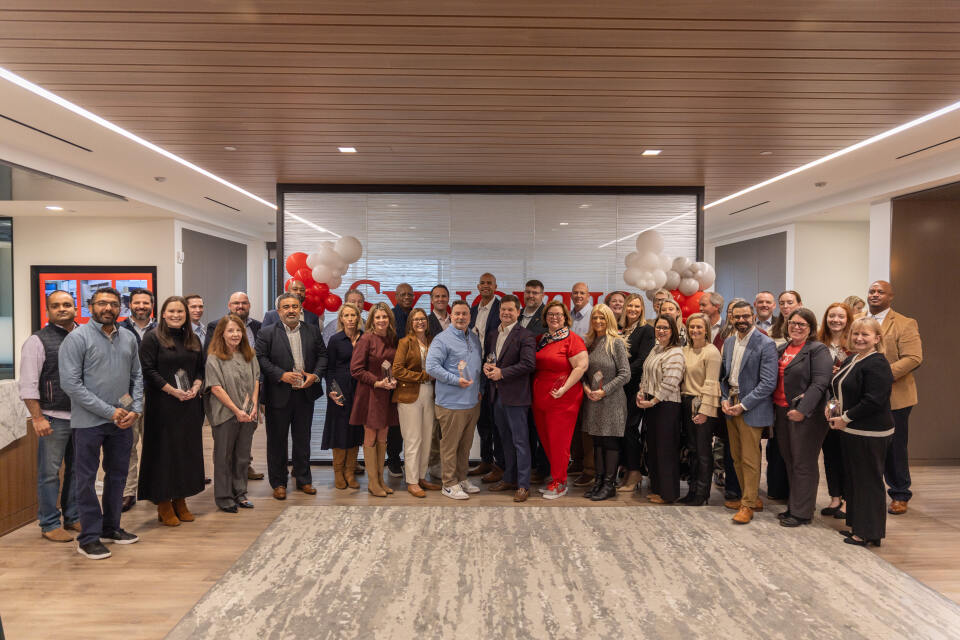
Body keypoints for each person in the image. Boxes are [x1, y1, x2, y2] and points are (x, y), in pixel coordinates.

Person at [59, 287, 143, 559]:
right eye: (102, 303)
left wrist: (135, 410)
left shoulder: (128, 338)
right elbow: (71, 385)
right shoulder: (76, 339)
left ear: (121, 308)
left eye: (114, 304)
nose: (108, 308)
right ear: (90, 306)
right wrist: (109, 411)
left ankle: (111, 527)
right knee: (85, 479)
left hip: (122, 421)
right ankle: (89, 537)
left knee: (118, 475)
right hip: (88, 423)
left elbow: (137, 377)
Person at [137, 296, 205, 526]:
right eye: (172, 311)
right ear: (163, 314)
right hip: (163, 405)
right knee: (164, 454)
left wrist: (196, 386)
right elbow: (148, 371)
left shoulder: (193, 339)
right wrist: (172, 391)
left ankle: (180, 498)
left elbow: (201, 369)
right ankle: (163, 501)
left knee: (185, 453)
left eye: (180, 312)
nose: (176, 315)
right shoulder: (152, 338)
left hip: (189, 405)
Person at [18, 290, 79, 543]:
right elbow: (28, 385)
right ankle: (49, 522)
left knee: (79, 471)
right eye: (56, 306)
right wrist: (38, 417)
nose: (62, 309)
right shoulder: (37, 341)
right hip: (53, 417)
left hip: (83, 417)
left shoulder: (84, 336)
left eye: (67, 304)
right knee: (49, 473)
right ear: (48, 311)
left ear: (76, 308)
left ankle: (74, 517)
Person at [828, 317, 895, 547]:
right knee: (855, 481)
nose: (859, 338)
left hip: (870, 433)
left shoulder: (878, 363)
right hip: (852, 431)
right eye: (856, 334)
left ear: (877, 339)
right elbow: (838, 388)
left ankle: (868, 532)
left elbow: (874, 401)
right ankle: (858, 526)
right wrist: (832, 409)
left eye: (865, 335)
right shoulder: (852, 359)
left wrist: (845, 418)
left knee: (868, 482)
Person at [256, 293, 327, 500]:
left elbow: (323, 356)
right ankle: (278, 482)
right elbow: (260, 358)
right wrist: (281, 375)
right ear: (279, 311)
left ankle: (304, 480)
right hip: (278, 395)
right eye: (286, 307)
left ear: (300, 309)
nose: (291, 310)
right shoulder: (267, 333)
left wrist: (315, 376)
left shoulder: (312, 331)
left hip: (305, 394)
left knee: (302, 440)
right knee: (277, 441)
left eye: (295, 306)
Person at [864, 280, 922, 515]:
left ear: (891, 297)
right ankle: (868, 491)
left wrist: (881, 376)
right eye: (872, 291)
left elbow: (913, 357)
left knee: (894, 447)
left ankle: (900, 493)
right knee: (867, 445)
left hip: (894, 395)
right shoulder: (859, 320)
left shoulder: (905, 323)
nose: (875, 295)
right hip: (863, 396)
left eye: (880, 292)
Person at [772, 308, 833, 527]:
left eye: (802, 324)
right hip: (781, 411)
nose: (796, 327)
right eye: (793, 323)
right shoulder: (782, 348)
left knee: (803, 463)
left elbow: (820, 383)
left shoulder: (818, 350)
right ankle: (795, 505)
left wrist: (803, 410)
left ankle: (802, 513)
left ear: (811, 328)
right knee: (790, 460)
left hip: (807, 415)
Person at [719, 301, 778, 524]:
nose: (741, 320)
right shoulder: (730, 341)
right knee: (736, 457)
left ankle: (747, 504)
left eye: (745, 316)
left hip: (751, 407)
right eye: (737, 317)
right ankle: (749, 496)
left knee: (750, 458)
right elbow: (724, 377)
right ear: (731, 318)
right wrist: (725, 399)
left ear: (753, 316)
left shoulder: (766, 343)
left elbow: (768, 383)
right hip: (730, 405)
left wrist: (743, 405)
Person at [425, 300, 483, 500]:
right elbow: (431, 367)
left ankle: (461, 478)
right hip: (450, 404)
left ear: (469, 316)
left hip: (472, 403)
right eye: (457, 314)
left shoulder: (474, 339)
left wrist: (479, 390)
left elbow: (477, 368)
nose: (461, 317)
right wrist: (455, 380)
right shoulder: (442, 339)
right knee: (449, 447)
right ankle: (448, 483)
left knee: (464, 446)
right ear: (451, 315)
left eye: (464, 314)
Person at [531, 300, 588, 499]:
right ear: (545, 318)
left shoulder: (572, 339)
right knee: (547, 440)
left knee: (559, 442)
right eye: (550, 315)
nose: (554, 318)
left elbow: (581, 367)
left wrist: (564, 388)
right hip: (541, 397)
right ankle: (555, 478)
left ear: (565, 318)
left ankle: (560, 483)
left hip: (563, 397)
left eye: (558, 315)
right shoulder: (542, 338)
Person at [482, 295, 537, 502]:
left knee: (520, 442)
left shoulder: (525, 335)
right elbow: (490, 359)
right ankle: (509, 478)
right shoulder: (493, 334)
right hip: (497, 396)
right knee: (504, 440)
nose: (506, 313)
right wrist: (487, 367)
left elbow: (529, 364)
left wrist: (502, 373)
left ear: (518, 312)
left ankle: (523, 485)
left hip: (516, 397)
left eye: (510, 310)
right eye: (503, 310)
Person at [205, 291, 264, 481]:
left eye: (244, 303)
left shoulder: (258, 327)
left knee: (244, 443)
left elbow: (257, 374)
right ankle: (226, 488)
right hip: (225, 396)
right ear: (229, 306)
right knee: (224, 449)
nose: (240, 306)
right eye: (236, 303)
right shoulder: (215, 326)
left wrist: (256, 402)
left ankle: (243, 473)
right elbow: (210, 356)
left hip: (248, 394)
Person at [350, 302, 400, 497]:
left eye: (384, 317)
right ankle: (372, 483)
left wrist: (393, 378)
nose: (381, 320)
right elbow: (356, 370)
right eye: (378, 317)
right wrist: (377, 383)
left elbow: (394, 364)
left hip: (388, 394)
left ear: (389, 319)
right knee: (370, 437)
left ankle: (380, 480)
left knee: (383, 437)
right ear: (372, 320)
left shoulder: (392, 339)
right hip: (370, 395)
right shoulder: (366, 339)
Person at [581, 304, 630, 502]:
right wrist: (586, 388)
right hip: (593, 400)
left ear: (609, 319)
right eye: (595, 318)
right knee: (597, 443)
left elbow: (625, 374)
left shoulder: (615, 342)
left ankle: (609, 485)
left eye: (602, 318)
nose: (598, 321)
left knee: (610, 443)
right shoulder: (590, 342)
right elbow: (583, 371)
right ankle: (599, 481)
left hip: (612, 401)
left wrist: (605, 391)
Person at [636, 314, 686, 504]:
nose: (661, 331)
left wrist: (654, 400)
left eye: (665, 328)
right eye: (659, 327)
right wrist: (641, 392)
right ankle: (657, 489)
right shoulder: (656, 349)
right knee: (654, 449)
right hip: (651, 404)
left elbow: (670, 382)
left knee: (666, 450)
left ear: (673, 330)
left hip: (667, 406)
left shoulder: (675, 352)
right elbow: (645, 374)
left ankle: (669, 494)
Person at [392, 308, 439, 497]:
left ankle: (421, 477)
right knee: (413, 439)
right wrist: (422, 376)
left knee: (427, 438)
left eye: (423, 319)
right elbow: (397, 370)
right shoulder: (405, 342)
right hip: (409, 395)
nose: (420, 322)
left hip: (430, 394)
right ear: (410, 323)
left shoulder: (432, 341)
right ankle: (411, 481)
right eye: (416, 319)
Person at [119, 287, 156, 512]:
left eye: (146, 303)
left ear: (152, 305)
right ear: (130, 305)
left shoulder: (161, 330)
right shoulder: (118, 329)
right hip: (127, 396)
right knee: (127, 444)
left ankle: (152, 488)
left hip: (155, 395)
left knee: (154, 444)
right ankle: (127, 492)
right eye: (137, 303)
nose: (141, 306)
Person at [680, 313, 722, 506]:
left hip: (702, 404)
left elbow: (712, 383)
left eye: (699, 327)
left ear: (706, 329)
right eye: (692, 327)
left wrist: (704, 411)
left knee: (703, 451)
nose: (695, 330)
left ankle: (702, 493)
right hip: (686, 402)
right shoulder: (685, 349)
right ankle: (692, 489)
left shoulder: (711, 352)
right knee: (692, 450)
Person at [321, 303, 364, 491]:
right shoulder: (335, 340)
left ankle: (350, 472)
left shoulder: (365, 338)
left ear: (358, 317)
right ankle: (338, 472)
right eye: (346, 315)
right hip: (339, 389)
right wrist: (331, 389)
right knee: (339, 431)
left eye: (353, 315)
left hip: (360, 390)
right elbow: (328, 369)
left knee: (355, 431)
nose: (350, 319)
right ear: (341, 319)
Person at [818, 302, 854, 518]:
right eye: (832, 316)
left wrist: (840, 371)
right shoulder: (819, 342)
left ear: (847, 319)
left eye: (841, 316)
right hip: (825, 405)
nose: (836, 320)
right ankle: (834, 498)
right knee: (829, 453)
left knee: (847, 455)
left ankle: (848, 501)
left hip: (848, 406)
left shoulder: (854, 342)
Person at [765, 290, 802, 500]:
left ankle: (795, 496)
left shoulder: (809, 335)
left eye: (790, 302)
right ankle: (776, 490)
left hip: (797, 402)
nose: (786, 306)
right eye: (782, 303)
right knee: (776, 448)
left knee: (795, 452)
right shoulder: (774, 330)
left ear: (799, 303)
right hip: (776, 400)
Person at [618, 293, 655, 493]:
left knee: (630, 429)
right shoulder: (621, 330)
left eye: (637, 306)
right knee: (621, 430)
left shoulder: (646, 330)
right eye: (630, 306)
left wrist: (621, 376)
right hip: (620, 388)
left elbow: (643, 360)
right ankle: (627, 471)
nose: (633, 309)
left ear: (642, 309)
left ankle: (635, 472)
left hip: (634, 387)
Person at [468, 272, 503, 481]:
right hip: (474, 370)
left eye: (489, 283)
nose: (486, 286)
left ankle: (499, 465)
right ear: (478, 286)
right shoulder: (472, 311)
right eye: (482, 283)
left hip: (494, 370)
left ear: (495, 286)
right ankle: (485, 460)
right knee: (482, 420)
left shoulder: (501, 309)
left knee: (496, 419)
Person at [518, 279, 549, 482]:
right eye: (528, 292)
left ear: (542, 295)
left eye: (535, 293)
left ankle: (542, 468)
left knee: (541, 427)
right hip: (519, 381)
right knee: (525, 426)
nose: (531, 296)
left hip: (539, 377)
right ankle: (527, 467)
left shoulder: (547, 317)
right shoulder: (518, 314)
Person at [386, 284, 415, 478]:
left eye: (409, 294)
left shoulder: (417, 316)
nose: (406, 297)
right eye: (402, 294)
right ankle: (394, 459)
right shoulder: (390, 317)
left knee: (412, 423)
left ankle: (411, 462)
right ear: (395, 296)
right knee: (395, 422)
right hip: (395, 376)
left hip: (414, 376)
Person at [569, 281, 594, 486]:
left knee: (587, 424)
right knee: (574, 422)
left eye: (582, 293)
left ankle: (589, 468)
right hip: (569, 376)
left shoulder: (594, 316)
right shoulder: (567, 316)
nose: (578, 296)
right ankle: (576, 462)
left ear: (589, 296)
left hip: (588, 374)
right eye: (575, 293)